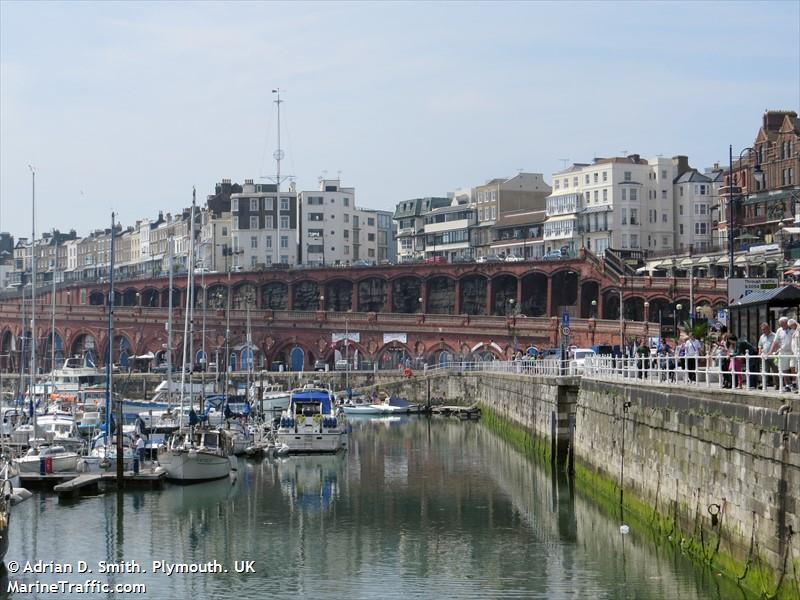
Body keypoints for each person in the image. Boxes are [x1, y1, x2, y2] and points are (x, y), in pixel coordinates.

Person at [770, 316, 794, 392]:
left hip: (793, 352)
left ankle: (794, 383)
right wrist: (770, 352)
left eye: (782, 324)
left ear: (787, 323)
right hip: (783, 352)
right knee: (784, 369)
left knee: (793, 368)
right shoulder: (779, 330)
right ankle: (787, 385)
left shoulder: (793, 329)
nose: (781, 326)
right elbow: (775, 342)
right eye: (780, 324)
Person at [758, 322, 776, 389]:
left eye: (764, 329)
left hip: (773, 356)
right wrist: (759, 352)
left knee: (775, 370)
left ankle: (778, 384)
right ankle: (764, 384)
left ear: (768, 328)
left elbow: (777, 344)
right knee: (764, 370)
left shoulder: (774, 335)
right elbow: (760, 345)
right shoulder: (762, 336)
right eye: (762, 329)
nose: (763, 331)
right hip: (765, 356)